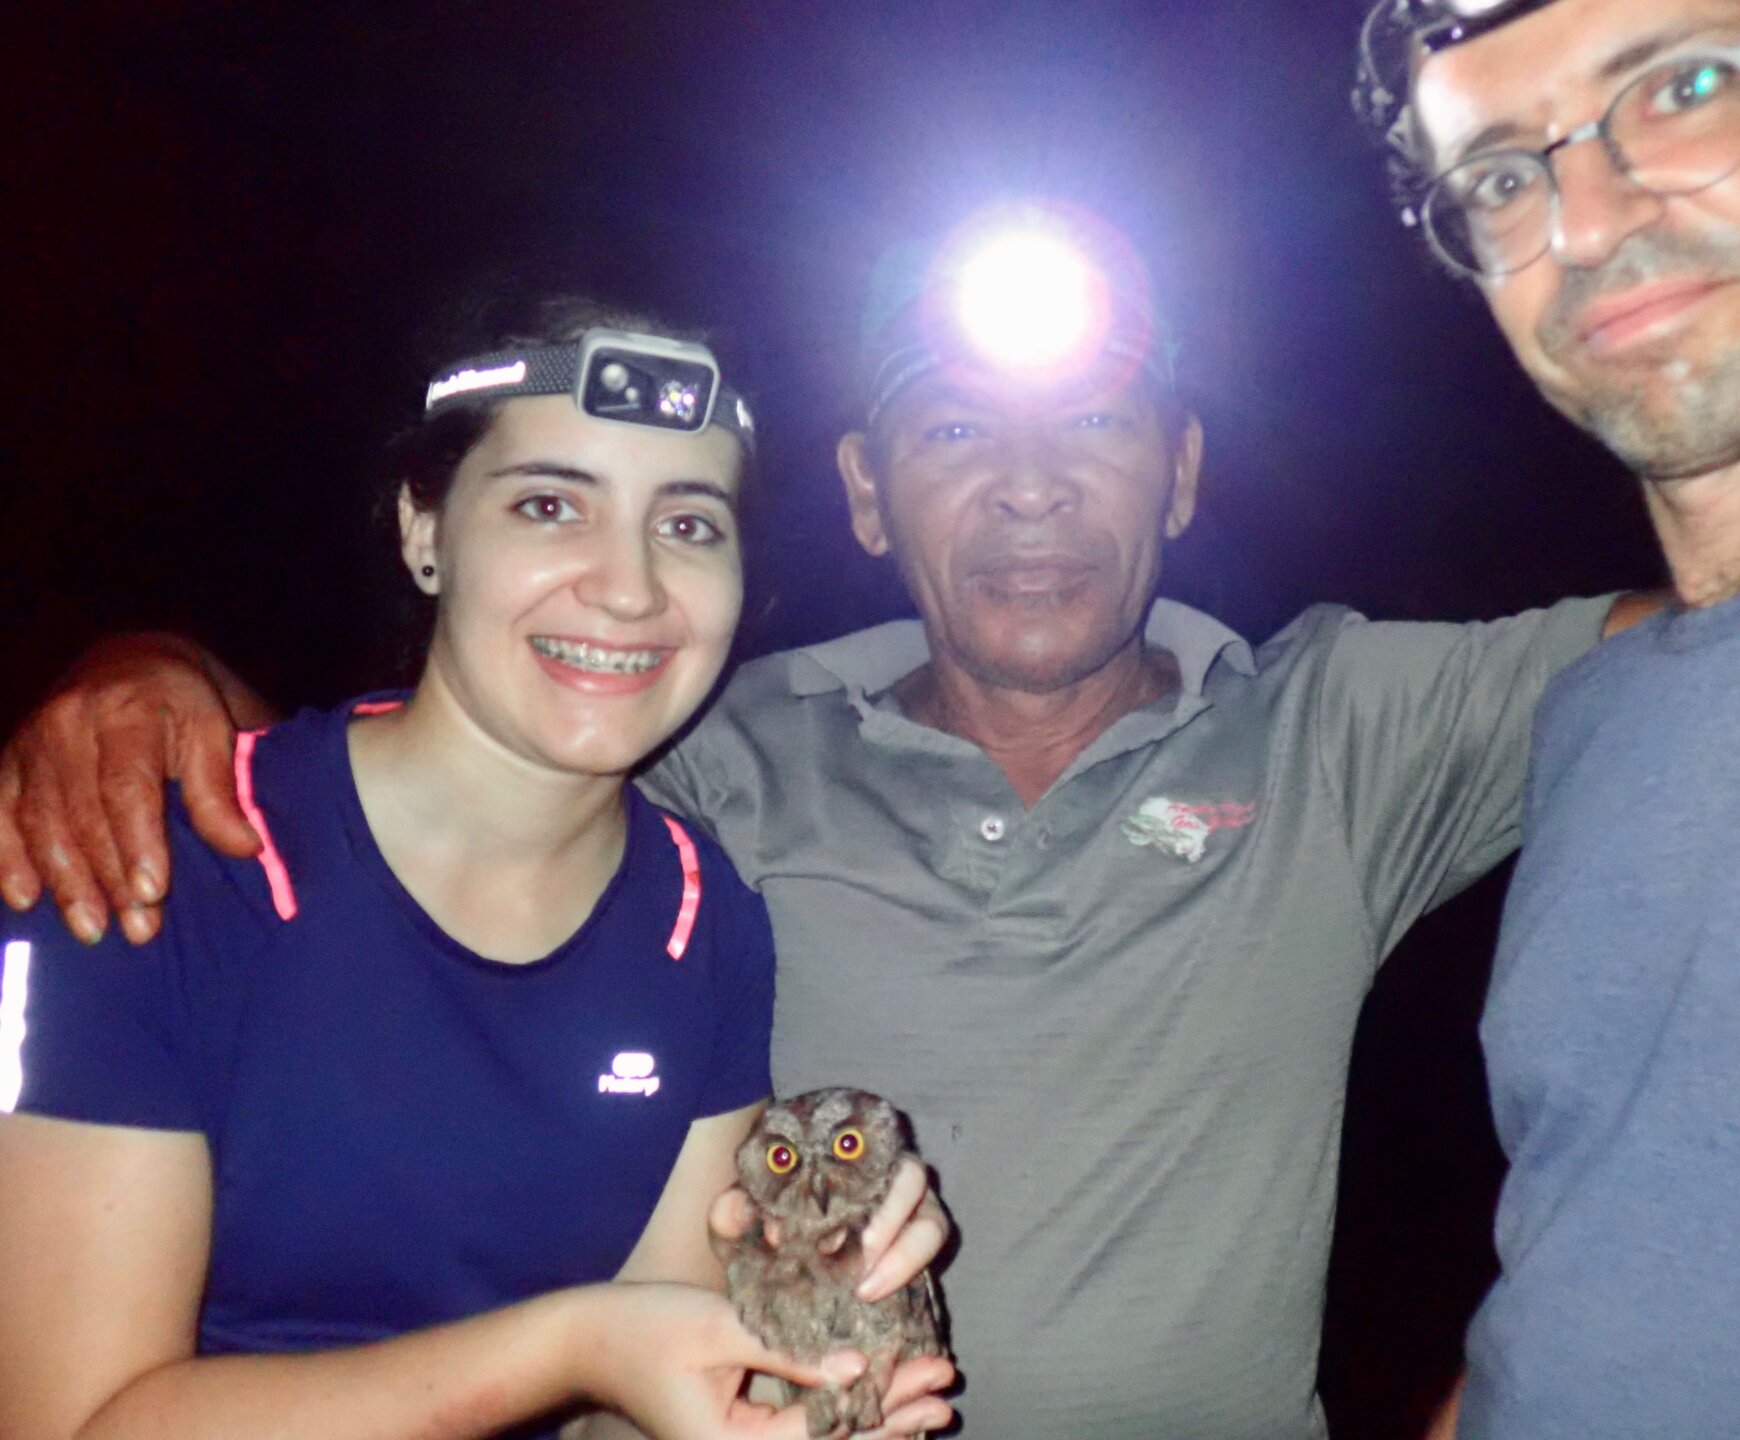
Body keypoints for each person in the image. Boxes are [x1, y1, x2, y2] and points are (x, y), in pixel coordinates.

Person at [0, 206, 1651, 1439]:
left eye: (1095, 424)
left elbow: (1732, 629)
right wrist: (153, 666)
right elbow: (462, 738)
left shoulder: (1344, 726)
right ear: (864, 496)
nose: (1027, 483)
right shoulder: (714, 767)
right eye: (953, 432)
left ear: (1182, 474)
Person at [0, 300, 953, 1440]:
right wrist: (576, 1343)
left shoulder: (706, 925)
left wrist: (819, 1311)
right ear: (425, 527)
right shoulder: (152, 857)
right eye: (550, 506)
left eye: (690, 524)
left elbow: (651, 1390)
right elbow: (72, 1421)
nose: (630, 587)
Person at [1354, 0, 1740, 1435]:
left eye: (1681, 88)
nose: (1586, 224)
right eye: (1500, 175)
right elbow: (1599, 1270)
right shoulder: (1600, 722)